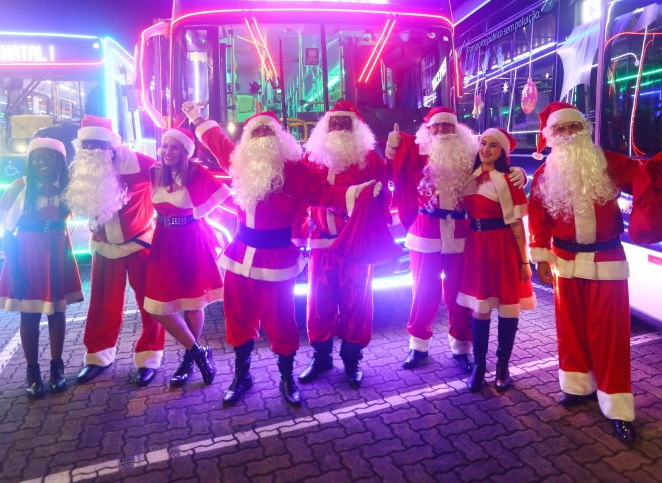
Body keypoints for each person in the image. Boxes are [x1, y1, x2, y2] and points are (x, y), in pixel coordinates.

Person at [186, 104, 378, 407]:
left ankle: (286, 377)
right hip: (239, 256)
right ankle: (242, 377)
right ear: (248, 139)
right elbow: (218, 142)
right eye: (257, 131)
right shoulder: (238, 163)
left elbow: (327, 194)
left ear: (279, 137)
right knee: (237, 317)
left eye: (268, 131)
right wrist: (197, 119)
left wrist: (360, 193)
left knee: (281, 321)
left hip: (276, 259)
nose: (262, 137)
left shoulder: (295, 170)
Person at [527, 101, 643, 445]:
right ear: (550, 135)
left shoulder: (612, 163)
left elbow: (647, 182)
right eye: (560, 129)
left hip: (606, 259)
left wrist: (661, 172)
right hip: (564, 261)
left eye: (574, 127)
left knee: (611, 336)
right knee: (571, 329)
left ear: (585, 130)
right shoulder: (544, 174)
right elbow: (538, 219)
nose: (568, 134)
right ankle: (578, 386)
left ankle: (618, 408)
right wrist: (541, 259)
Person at [387, 107, 525, 373]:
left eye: (448, 126)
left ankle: (462, 347)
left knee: (459, 294)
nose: (442, 131)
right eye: (436, 127)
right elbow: (393, 166)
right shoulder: (416, 153)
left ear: (458, 129)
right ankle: (418, 346)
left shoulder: (470, 155)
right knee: (423, 292)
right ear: (428, 130)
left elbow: (495, 161)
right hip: (425, 231)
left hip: (461, 233)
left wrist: (516, 169)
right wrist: (392, 148)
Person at [62, 115, 164, 387]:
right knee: (102, 304)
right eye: (88, 145)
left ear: (111, 144)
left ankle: (149, 358)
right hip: (104, 246)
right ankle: (97, 356)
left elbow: (168, 192)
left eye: (98, 143)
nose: (93, 150)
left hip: (140, 243)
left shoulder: (142, 165)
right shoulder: (80, 169)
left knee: (151, 304)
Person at [299, 99, 388, 389]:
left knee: (356, 302)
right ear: (325, 126)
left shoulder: (370, 160)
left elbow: (382, 199)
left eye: (344, 123)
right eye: (333, 123)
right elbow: (299, 199)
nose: (337, 128)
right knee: (319, 302)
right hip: (321, 242)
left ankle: (352, 359)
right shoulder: (310, 159)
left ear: (356, 126)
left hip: (356, 245)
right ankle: (322, 357)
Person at [0, 137, 83, 399]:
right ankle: (33, 371)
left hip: (57, 253)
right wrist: (15, 271)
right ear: (30, 162)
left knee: (57, 311)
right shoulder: (19, 187)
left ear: (61, 161)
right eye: (38, 157)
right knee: (29, 315)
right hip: (27, 255)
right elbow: (8, 234)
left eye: (50, 157)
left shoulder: (67, 188)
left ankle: (57, 368)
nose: (44, 162)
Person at [143, 128, 230, 390]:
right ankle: (197, 351)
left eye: (175, 148)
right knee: (157, 306)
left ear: (185, 152)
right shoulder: (155, 171)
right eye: (165, 146)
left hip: (191, 240)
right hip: (163, 242)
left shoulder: (196, 172)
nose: (168, 152)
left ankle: (189, 360)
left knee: (193, 302)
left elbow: (222, 193)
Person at [457, 128, 535, 393]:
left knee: (506, 307)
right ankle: (479, 366)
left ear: (502, 152)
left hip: (503, 248)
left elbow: (517, 226)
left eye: (493, 145)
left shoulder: (507, 180)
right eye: (483, 143)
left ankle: (502, 367)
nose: (486, 149)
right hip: (476, 248)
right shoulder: (470, 176)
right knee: (480, 308)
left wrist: (525, 262)